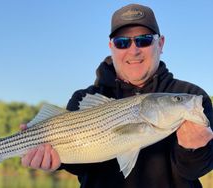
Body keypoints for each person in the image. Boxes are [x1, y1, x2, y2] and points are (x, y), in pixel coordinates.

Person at [21, 4, 213, 188]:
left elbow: (197, 169)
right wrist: (55, 161)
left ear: (160, 43)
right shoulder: (84, 98)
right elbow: (83, 167)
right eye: (122, 43)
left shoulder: (192, 96)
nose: (133, 50)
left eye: (143, 40)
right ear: (111, 47)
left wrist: (194, 149)